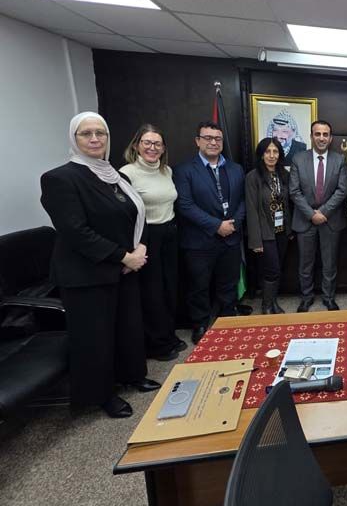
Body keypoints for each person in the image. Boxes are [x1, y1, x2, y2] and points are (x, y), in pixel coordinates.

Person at [40, 112, 159, 418]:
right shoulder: (59, 179)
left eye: (100, 133)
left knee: (128, 328)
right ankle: (102, 395)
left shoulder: (117, 177)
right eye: (86, 134)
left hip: (125, 269)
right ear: (74, 139)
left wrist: (140, 248)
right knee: (95, 338)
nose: (95, 139)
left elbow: (139, 216)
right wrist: (124, 256)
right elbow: (75, 231)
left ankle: (132, 375)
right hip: (87, 275)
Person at [173, 122, 246, 343]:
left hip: (231, 238)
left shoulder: (236, 169)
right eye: (208, 138)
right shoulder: (184, 170)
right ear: (198, 141)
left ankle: (227, 318)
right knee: (199, 286)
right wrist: (216, 226)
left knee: (228, 283)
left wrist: (233, 224)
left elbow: (243, 201)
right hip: (199, 241)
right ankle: (200, 324)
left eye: (217, 139)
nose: (213, 142)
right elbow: (185, 205)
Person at [120, 124, 185, 361]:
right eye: (147, 142)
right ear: (136, 145)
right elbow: (124, 213)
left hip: (170, 232)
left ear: (163, 148)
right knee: (152, 291)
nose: (152, 148)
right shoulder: (126, 173)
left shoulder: (166, 171)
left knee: (169, 287)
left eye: (157, 143)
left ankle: (168, 334)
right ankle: (156, 344)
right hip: (146, 237)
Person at [289, 120, 347, 312]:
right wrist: (311, 214)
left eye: (325, 134)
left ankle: (328, 298)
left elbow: (342, 190)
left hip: (330, 220)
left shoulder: (339, 160)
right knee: (305, 264)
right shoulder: (298, 159)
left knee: (329, 264)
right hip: (304, 220)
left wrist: (323, 212)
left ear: (330, 138)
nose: (321, 138)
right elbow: (294, 191)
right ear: (311, 136)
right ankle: (306, 298)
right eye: (317, 134)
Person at [245, 137, 292, 314]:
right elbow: (251, 209)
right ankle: (266, 306)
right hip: (264, 232)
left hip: (282, 231)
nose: (272, 155)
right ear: (261, 154)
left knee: (277, 269)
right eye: (268, 152)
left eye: (275, 151)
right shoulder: (253, 177)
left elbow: (287, 204)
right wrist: (255, 241)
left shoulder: (283, 175)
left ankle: (273, 303)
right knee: (271, 270)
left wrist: (289, 230)